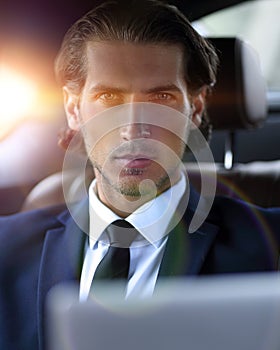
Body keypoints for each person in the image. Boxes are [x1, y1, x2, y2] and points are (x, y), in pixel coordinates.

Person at [0, 1, 280, 350]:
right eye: (108, 96)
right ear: (74, 109)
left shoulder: (272, 246)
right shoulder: (5, 249)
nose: (134, 128)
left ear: (194, 109)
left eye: (160, 97)